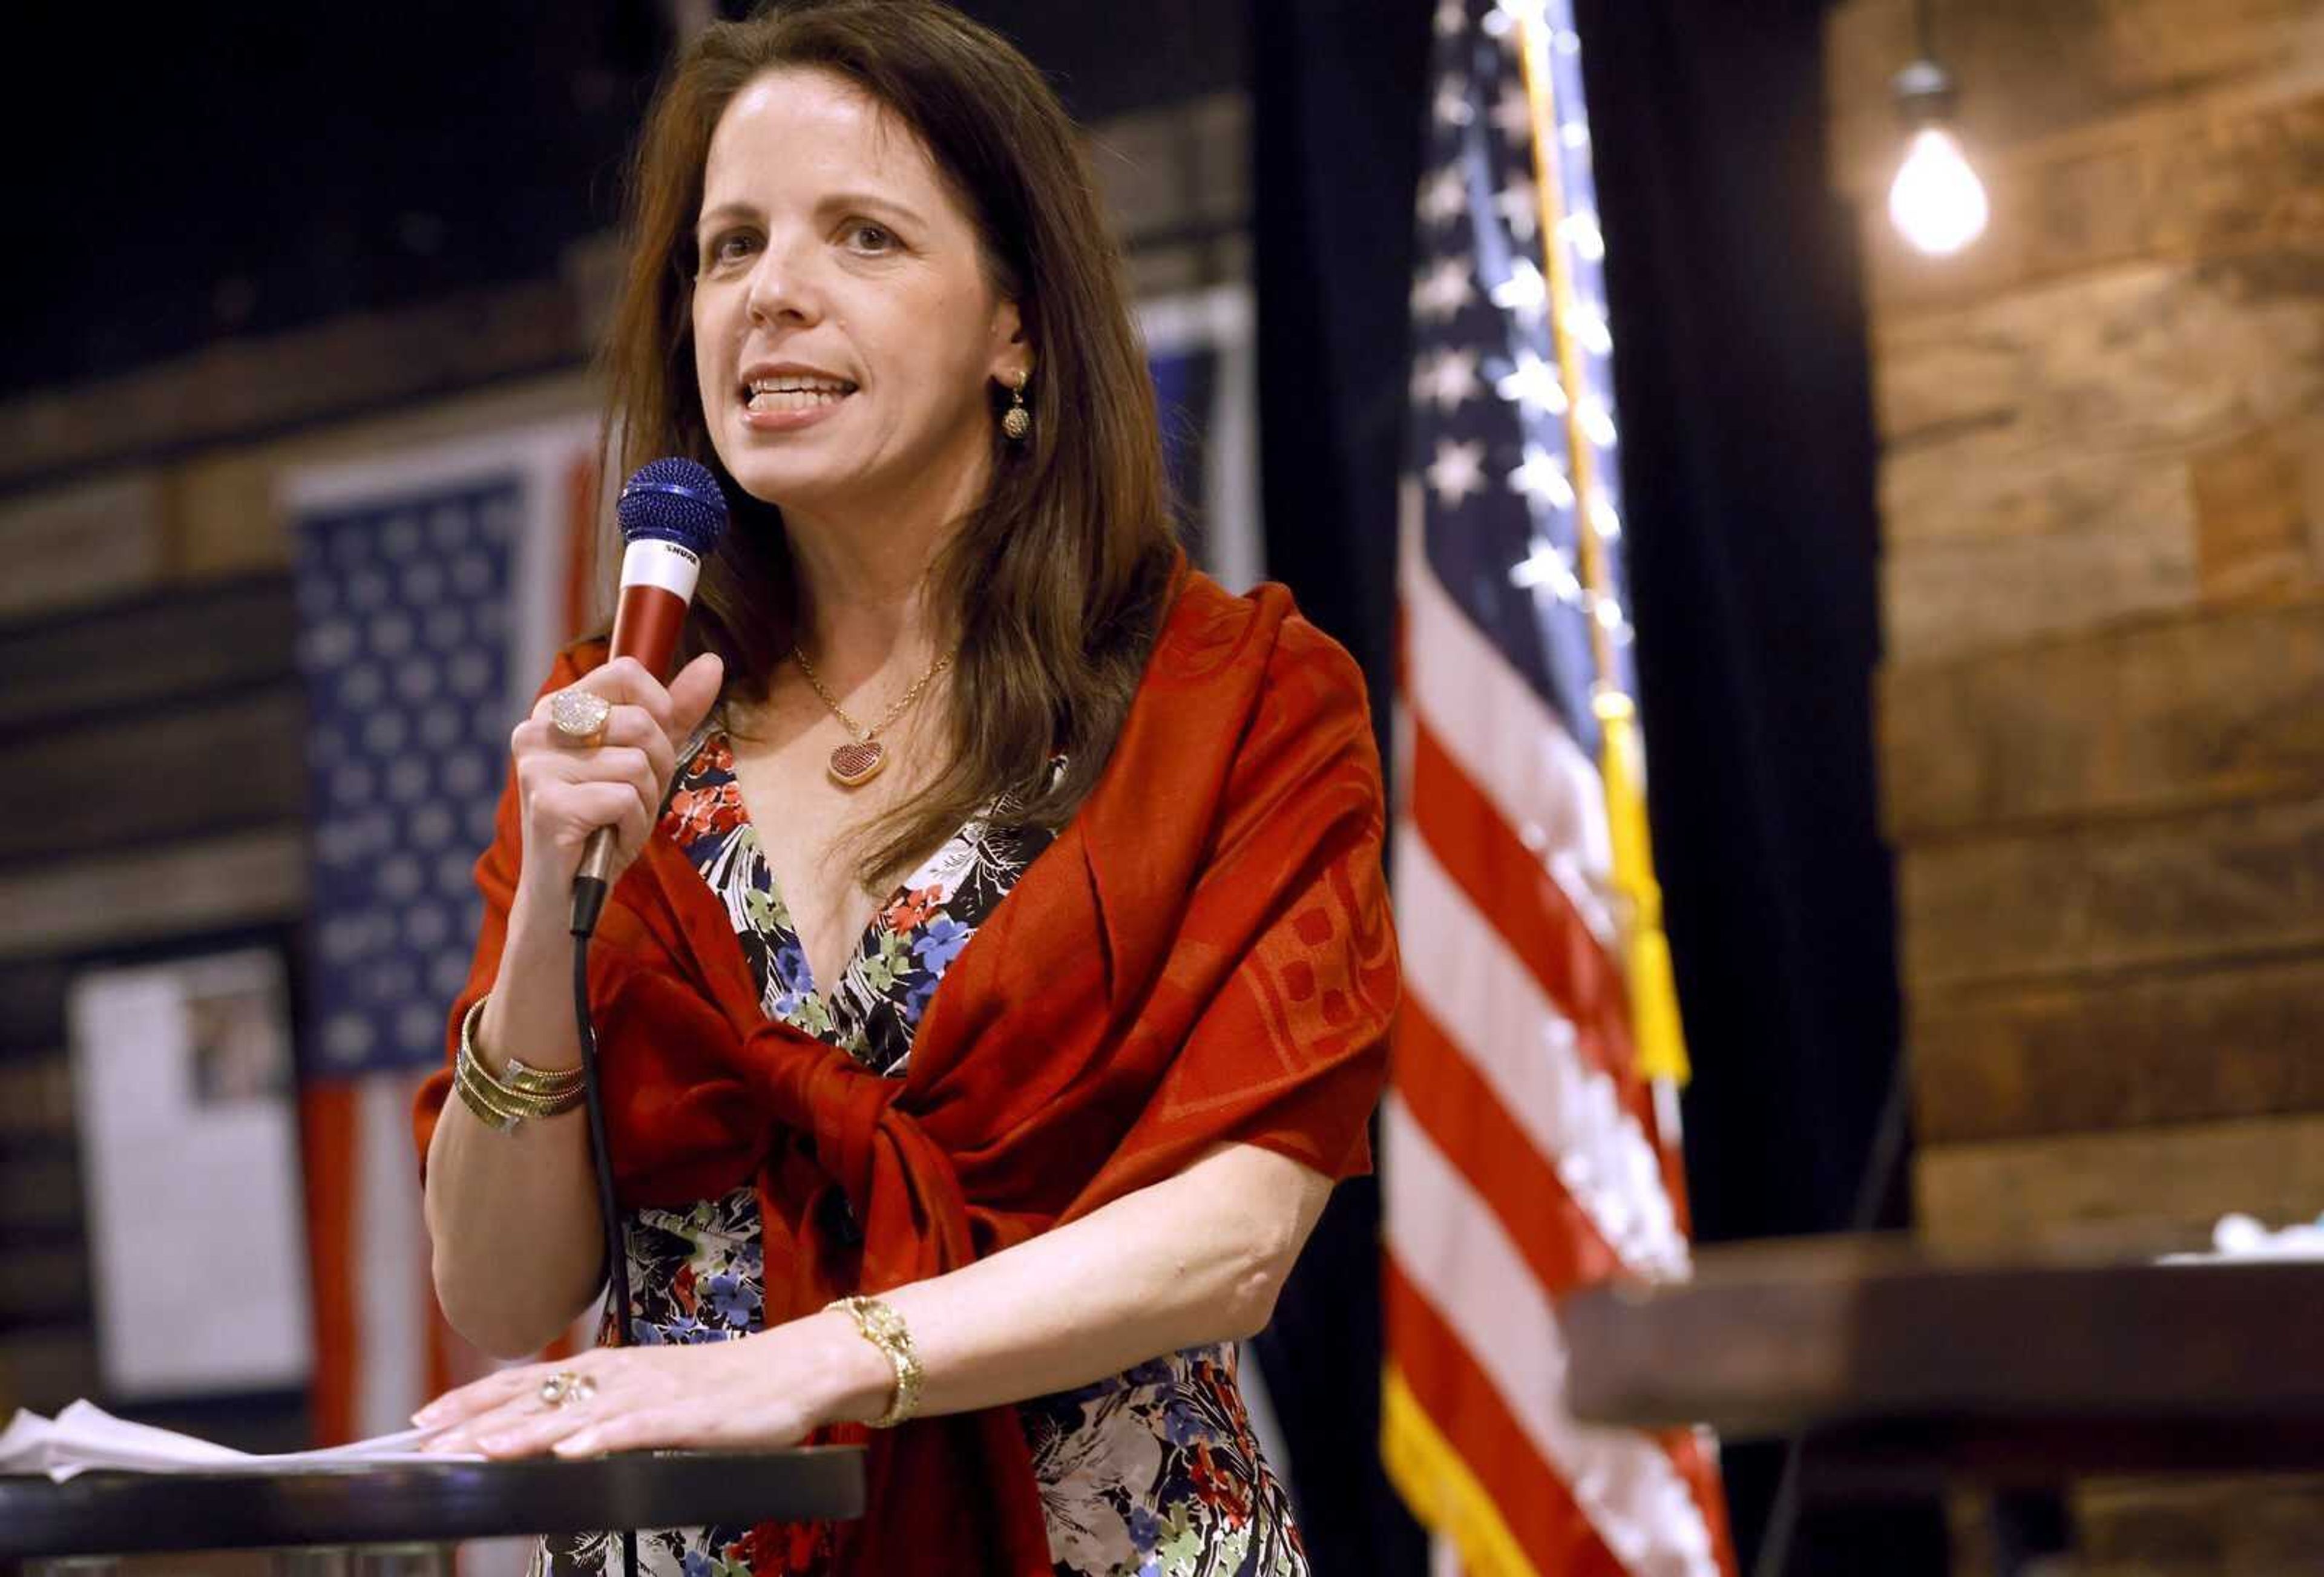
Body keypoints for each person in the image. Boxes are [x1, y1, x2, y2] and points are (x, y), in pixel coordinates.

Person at [409, 3, 1398, 1573]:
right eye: (728, 250)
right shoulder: (616, 719)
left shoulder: (1239, 701)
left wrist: (813, 1361)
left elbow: (1237, 1236)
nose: (771, 296)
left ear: (1018, 324)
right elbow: (503, 1293)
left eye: (860, 237)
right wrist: (549, 910)